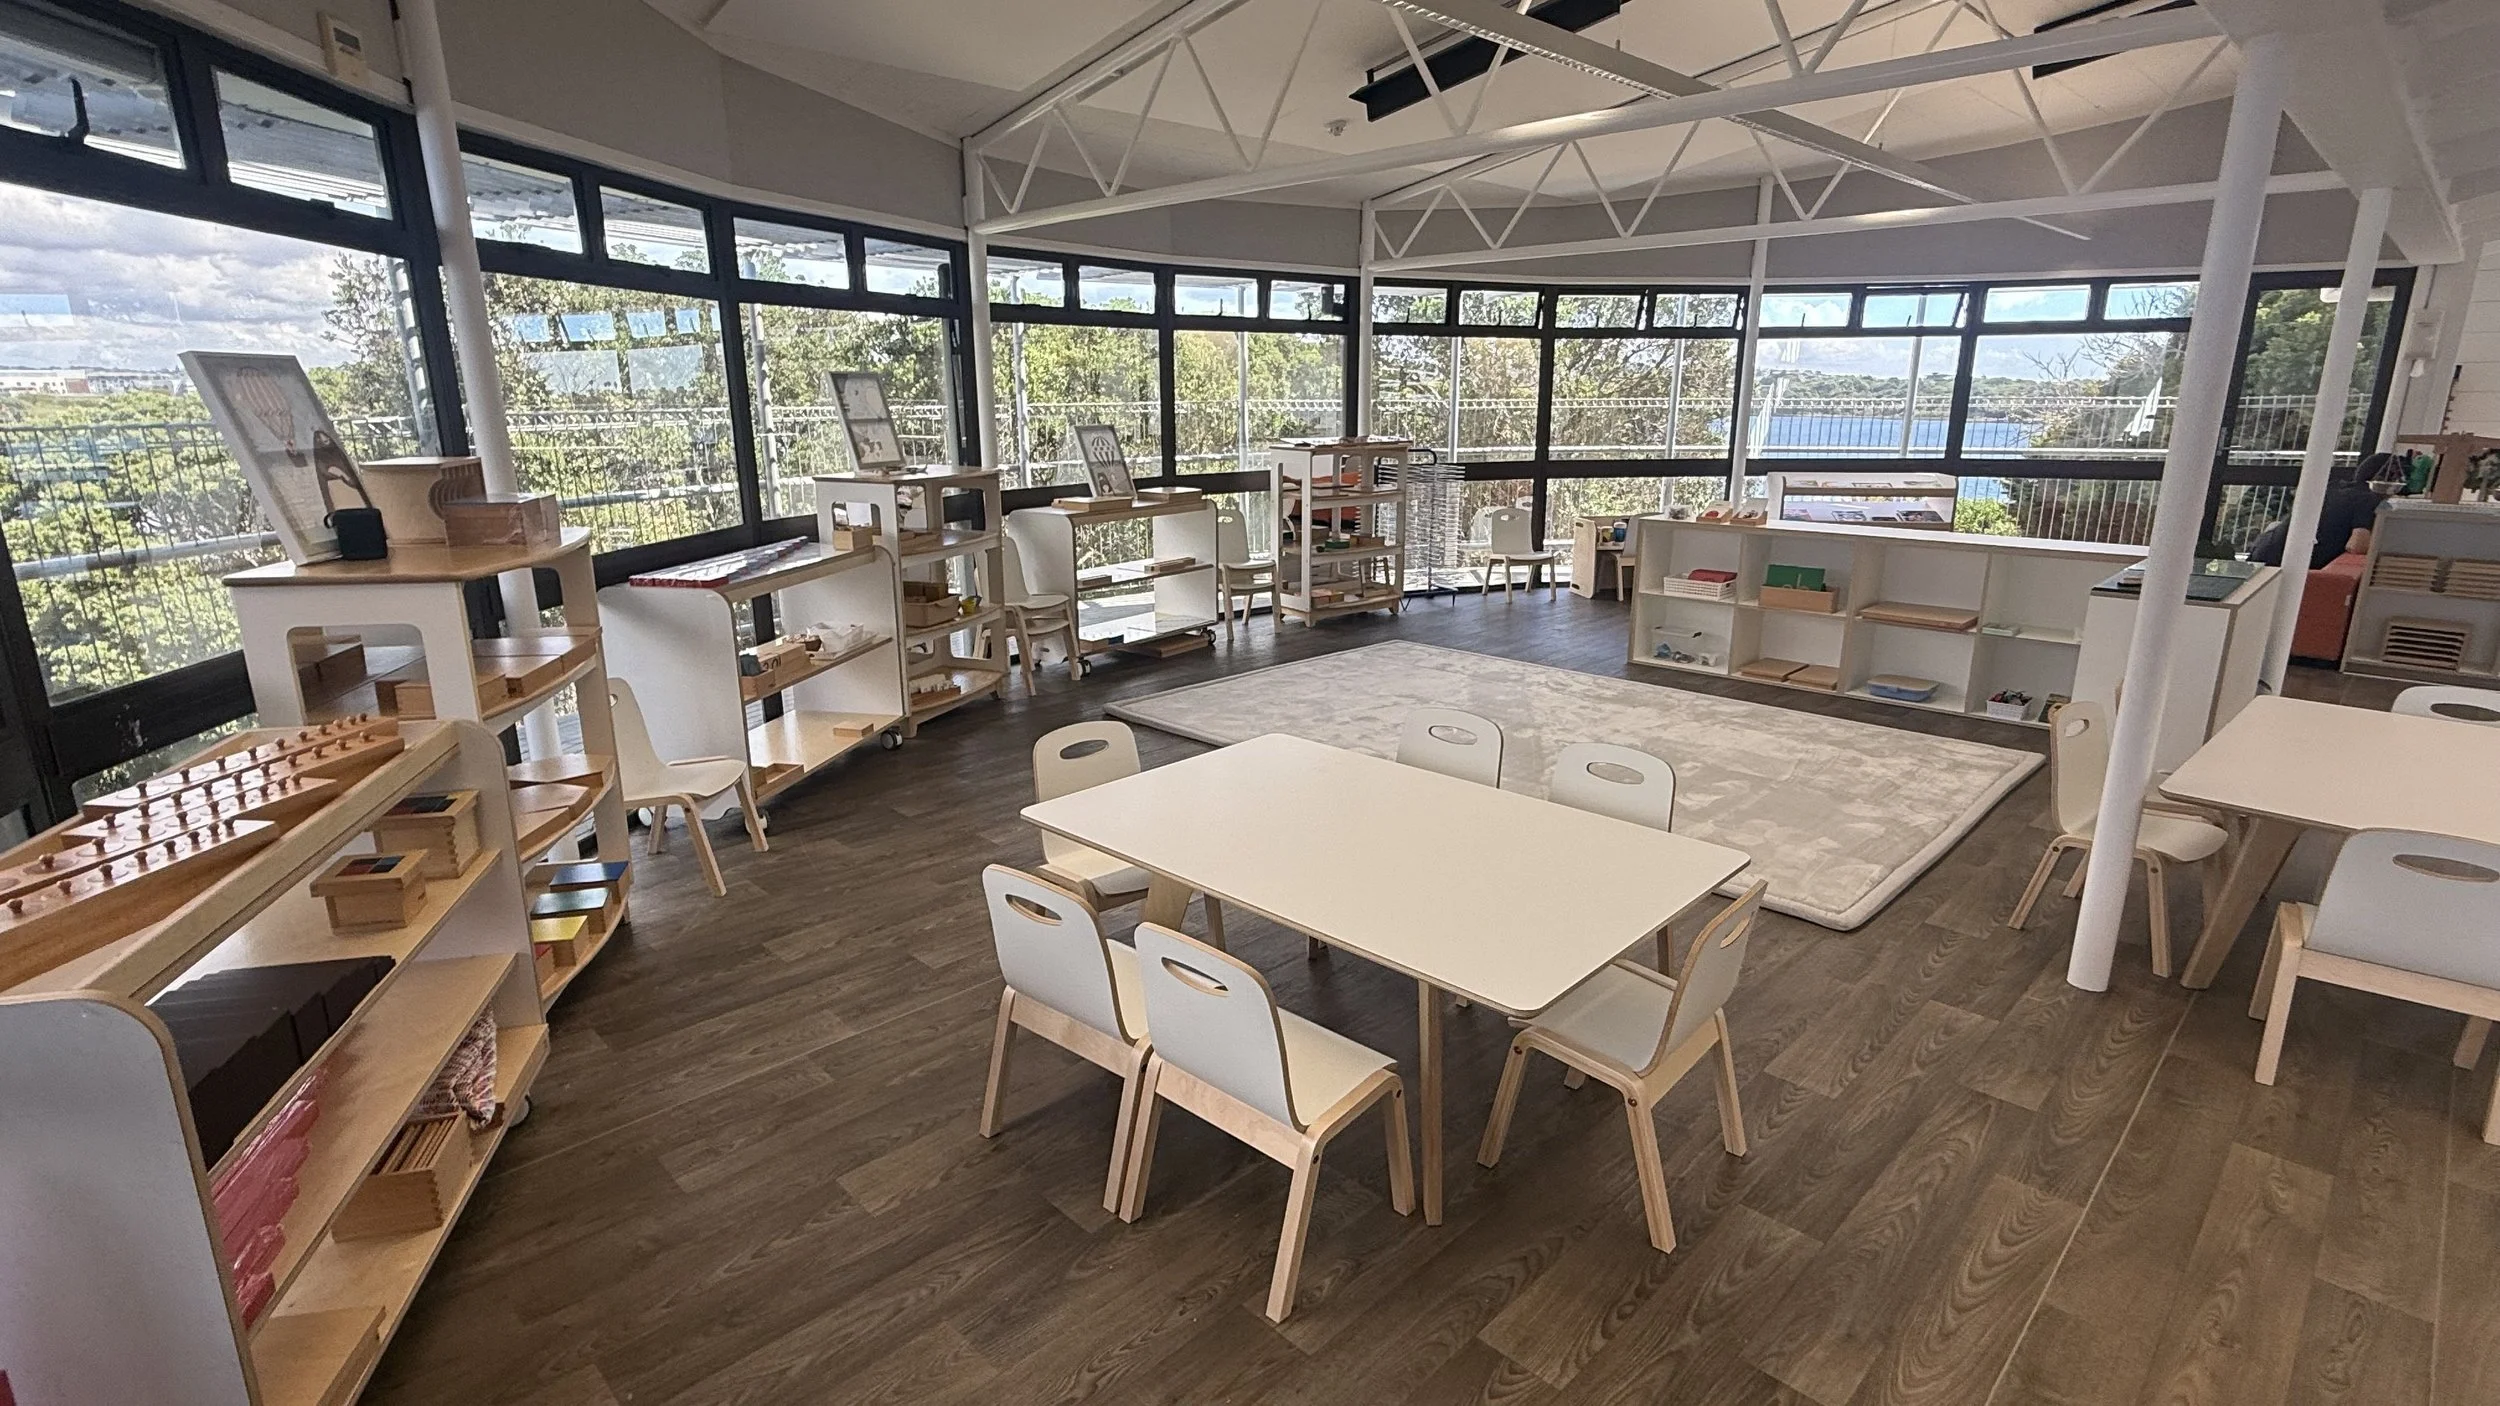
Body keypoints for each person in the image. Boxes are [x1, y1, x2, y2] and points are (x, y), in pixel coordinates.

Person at [2245, 452, 2395, 570]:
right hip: (2284, 563)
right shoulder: (2368, 500)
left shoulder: (2335, 486)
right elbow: (2356, 546)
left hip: (2265, 548)